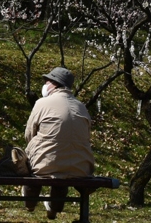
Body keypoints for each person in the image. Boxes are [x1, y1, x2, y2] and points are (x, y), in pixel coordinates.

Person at [23, 66, 95, 220]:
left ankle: (30, 202)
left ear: (54, 84)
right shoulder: (81, 106)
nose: (45, 85)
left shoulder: (42, 103)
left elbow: (29, 134)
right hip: (80, 167)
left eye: (47, 81)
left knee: (39, 164)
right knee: (64, 169)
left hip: (44, 165)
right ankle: (54, 207)